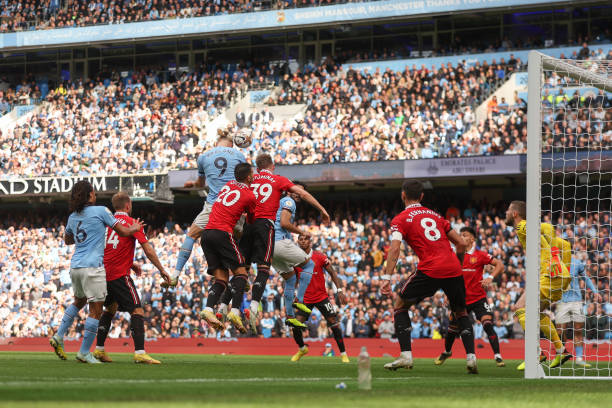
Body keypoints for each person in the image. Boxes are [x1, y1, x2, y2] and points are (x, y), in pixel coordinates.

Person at [381, 180, 477, 373]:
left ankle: (406, 356)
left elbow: (395, 249)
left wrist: (386, 278)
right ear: (422, 196)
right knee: (461, 312)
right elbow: (461, 243)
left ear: (403, 195)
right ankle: (471, 359)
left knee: (400, 303)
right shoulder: (436, 215)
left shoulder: (400, 219)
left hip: (431, 268)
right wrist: (456, 266)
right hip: (453, 268)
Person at [49, 181, 144, 364]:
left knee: (79, 301)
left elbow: (68, 240)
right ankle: (84, 352)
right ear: (90, 195)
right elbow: (123, 232)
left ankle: (59, 336)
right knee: (96, 310)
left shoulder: (72, 217)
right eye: (94, 193)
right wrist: (134, 228)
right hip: (93, 266)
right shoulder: (101, 210)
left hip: (75, 267)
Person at [239, 153, 330, 333]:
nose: (298, 193)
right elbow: (285, 223)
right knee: (309, 264)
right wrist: (311, 222)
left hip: (260, 239)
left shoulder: (258, 184)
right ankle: (299, 301)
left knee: (290, 278)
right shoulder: (288, 199)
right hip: (276, 240)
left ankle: (289, 316)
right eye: (296, 190)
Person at [93, 192, 171, 364]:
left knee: (110, 308)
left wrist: (130, 263)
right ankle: (140, 352)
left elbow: (107, 249)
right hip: (119, 275)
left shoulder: (105, 224)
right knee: (137, 310)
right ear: (128, 206)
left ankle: (98, 350)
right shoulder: (132, 223)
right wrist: (161, 269)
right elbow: (148, 250)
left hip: (102, 274)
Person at [169, 130, 246, 287]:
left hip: (213, 205)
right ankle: (242, 275)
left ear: (216, 143)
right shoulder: (238, 155)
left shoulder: (204, 156)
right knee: (236, 239)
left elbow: (200, 184)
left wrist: (192, 185)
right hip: (234, 205)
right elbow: (245, 181)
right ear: (232, 144)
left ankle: (175, 274)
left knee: (191, 235)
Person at [505, 201, 572, 370]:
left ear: (515, 214)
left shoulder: (521, 226)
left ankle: (535, 353)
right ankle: (561, 350)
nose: (505, 213)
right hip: (559, 275)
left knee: (520, 307)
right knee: (536, 313)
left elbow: (549, 228)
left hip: (550, 274)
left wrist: (555, 258)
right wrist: (564, 268)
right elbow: (566, 245)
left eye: (508, 210)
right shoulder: (533, 233)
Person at [435, 226, 506, 367]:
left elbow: (500, 264)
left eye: (465, 235)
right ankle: (447, 351)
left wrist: (490, 277)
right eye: (460, 235)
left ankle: (498, 356)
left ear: (472, 239)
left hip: (479, 298)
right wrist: (446, 293)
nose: (461, 237)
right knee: (452, 328)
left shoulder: (480, 255)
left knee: (487, 324)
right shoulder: (455, 255)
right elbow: (449, 276)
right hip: (461, 299)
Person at [199, 163, 256, 334]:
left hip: (207, 234)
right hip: (223, 233)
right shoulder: (249, 195)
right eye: (252, 174)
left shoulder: (228, 185)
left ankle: (208, 309)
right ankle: (235, 312)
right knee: (241, 273)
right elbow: (251, 220)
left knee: (222, 280)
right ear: (249, 177)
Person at [290, 234, 349, 364]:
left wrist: (339, 290)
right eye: (300, 239)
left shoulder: (320, 256)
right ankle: (302, 349)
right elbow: (294, 278)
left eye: (305, 239)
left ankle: (343, 354)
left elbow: (332, 272)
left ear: (310, 242)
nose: (303, 241)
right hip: (305, 298)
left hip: (321, 297)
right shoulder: (295, 259)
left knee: (334, 323)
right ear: (298, 242)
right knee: (295, 326)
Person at [555, 256, 601, 368]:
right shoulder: (555, 262)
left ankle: (579, 358)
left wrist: (595, 291)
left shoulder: (576, 262)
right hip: (561, 302)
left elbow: (586, 278)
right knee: (560, 331)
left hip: (576, 302)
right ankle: (561, 354)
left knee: (578, 330)